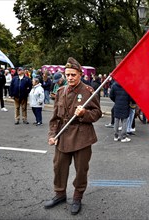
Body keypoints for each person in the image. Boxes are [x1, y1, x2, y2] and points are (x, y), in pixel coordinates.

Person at [45, 57, 102, 215]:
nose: (70, 77)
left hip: (82, 137)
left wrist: (84, 113)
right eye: (67, 74)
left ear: (80, 74)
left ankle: (77, 197)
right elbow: (55, 118)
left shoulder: (88, 91)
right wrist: (52, 135)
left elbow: (97, 113)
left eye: (73, 75)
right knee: (59, 167)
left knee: (81, 170)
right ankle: (60, 194)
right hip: (63, 135)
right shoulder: (60, 91)